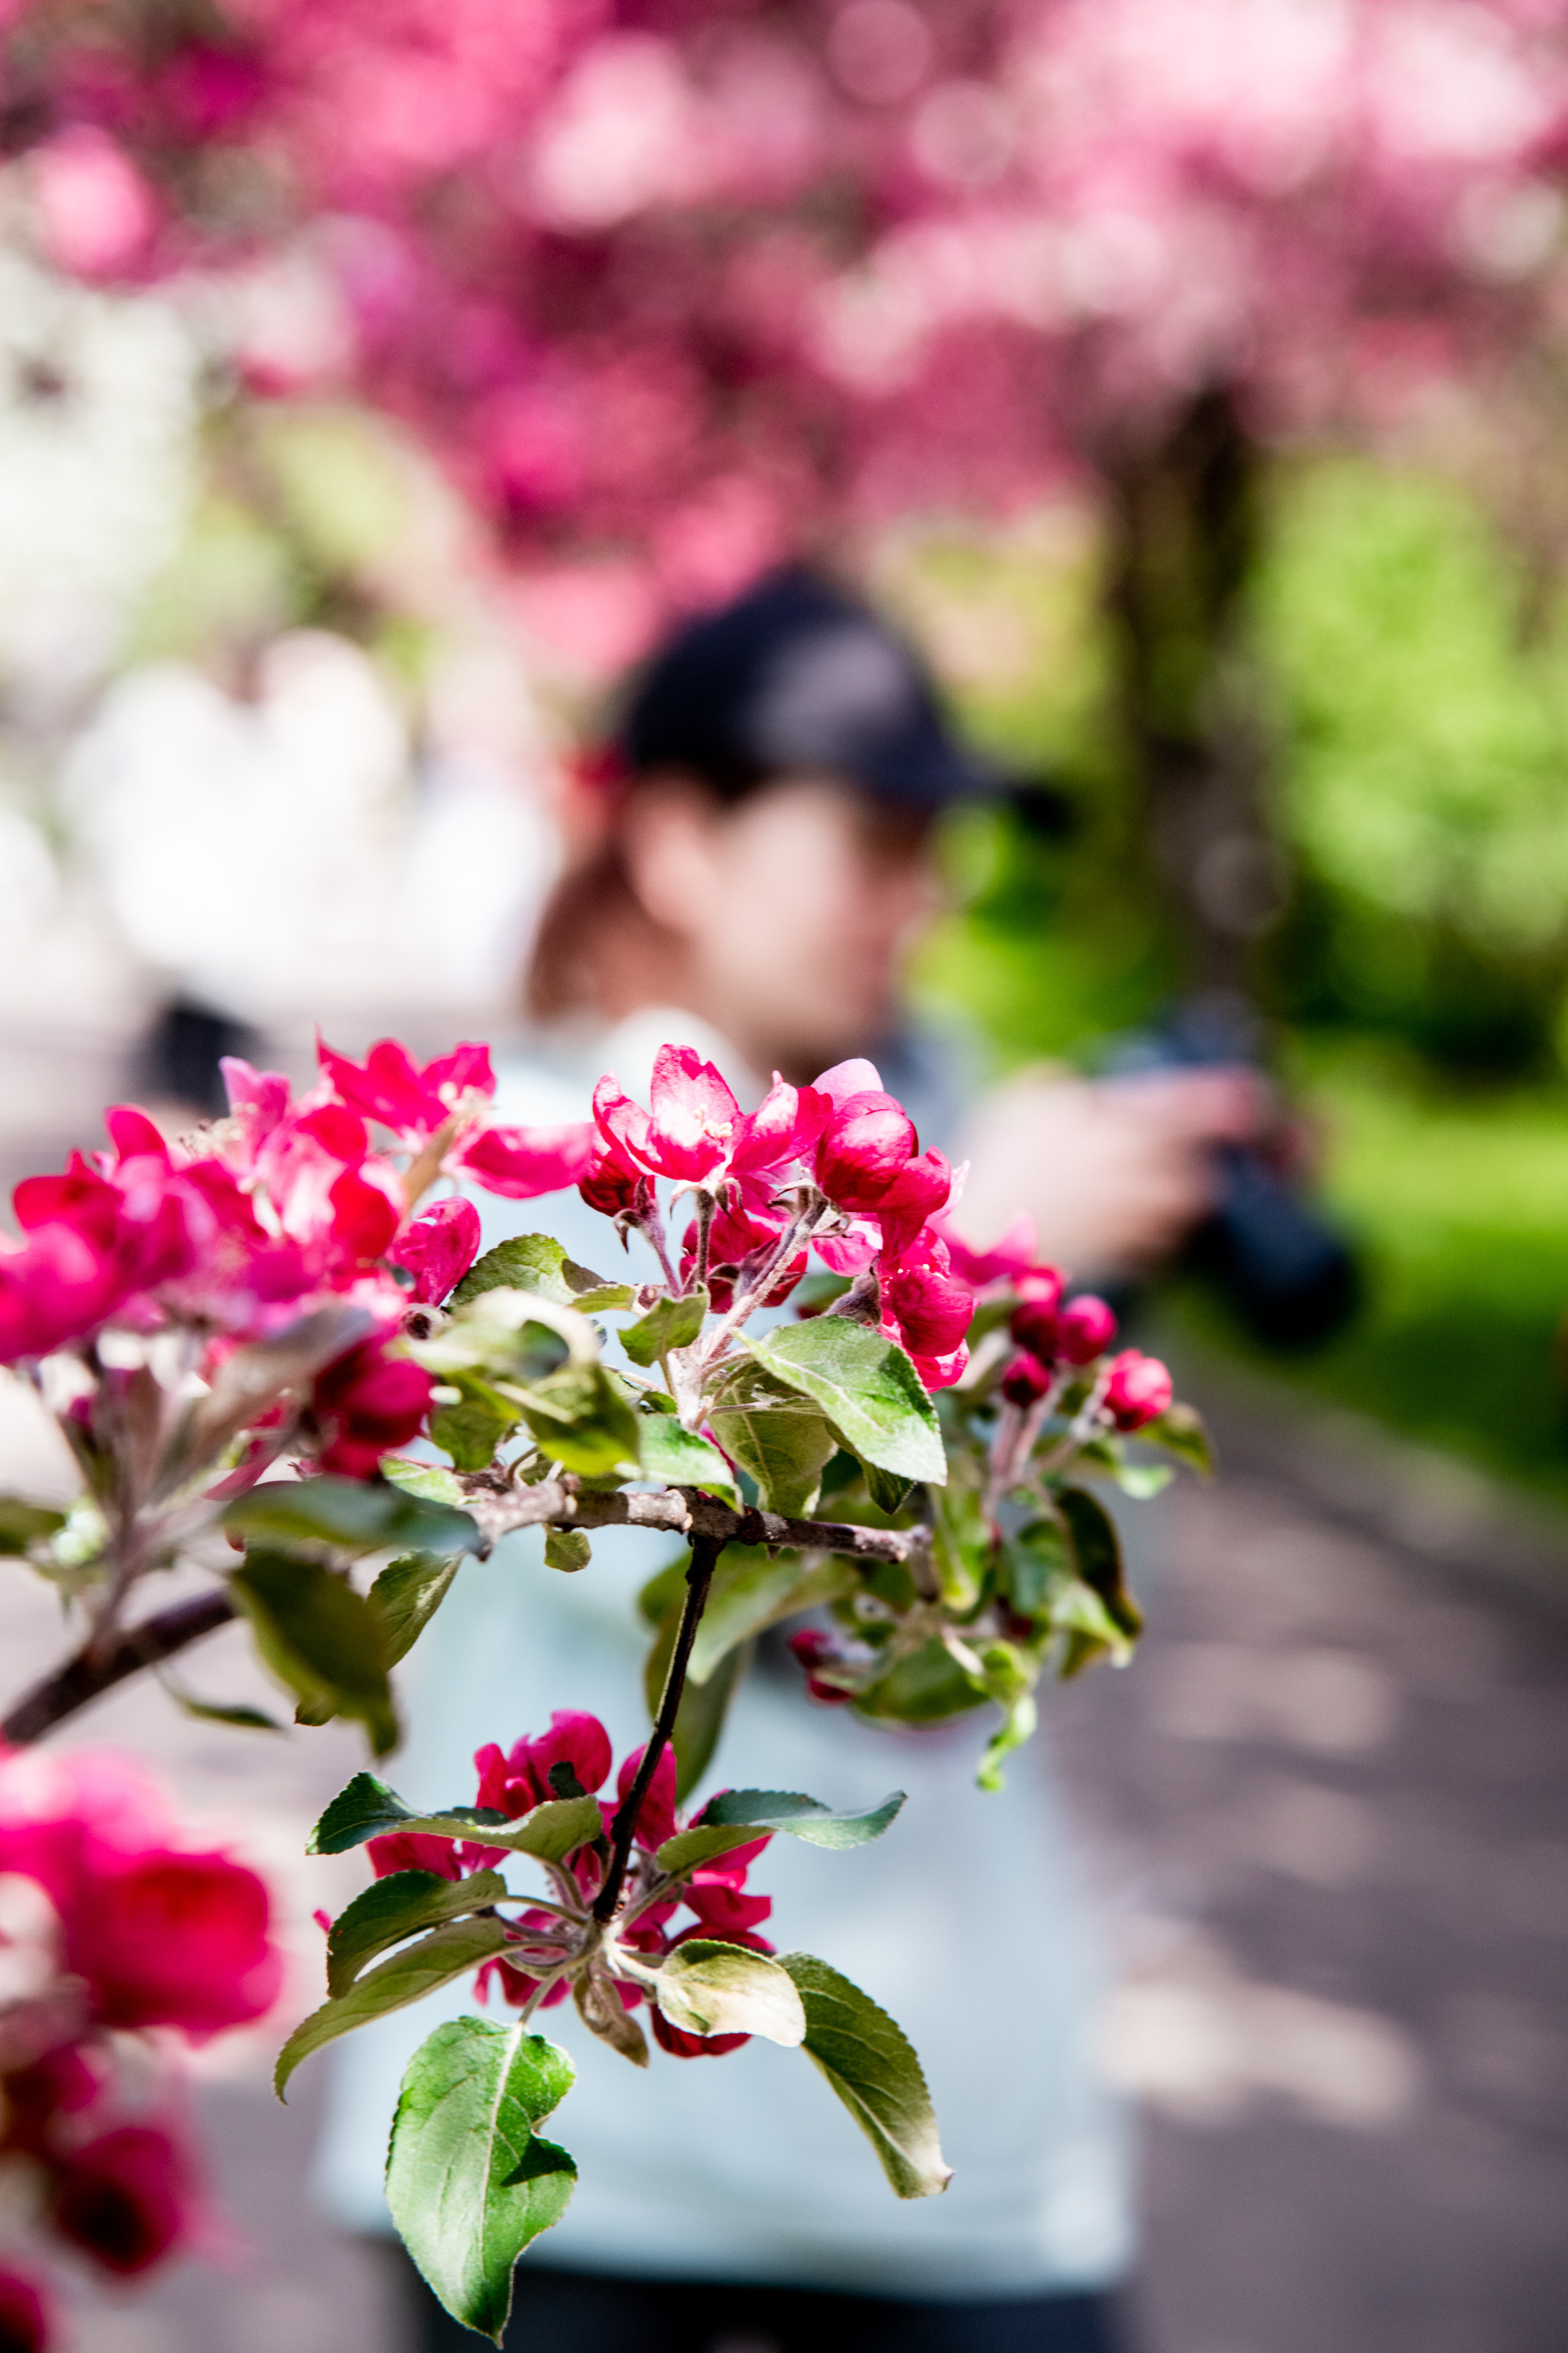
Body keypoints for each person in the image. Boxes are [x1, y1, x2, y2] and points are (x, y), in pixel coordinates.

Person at [313, 568, 1262, 2352]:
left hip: (963, 2166)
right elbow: (627, 1582)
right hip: (593, 2149)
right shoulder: (516, 1171)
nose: (919, 898)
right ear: (679, 844)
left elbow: (1020, 1628)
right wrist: (972, 1255)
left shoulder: (966, 1115)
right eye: (873, 840)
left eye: (936, 848)